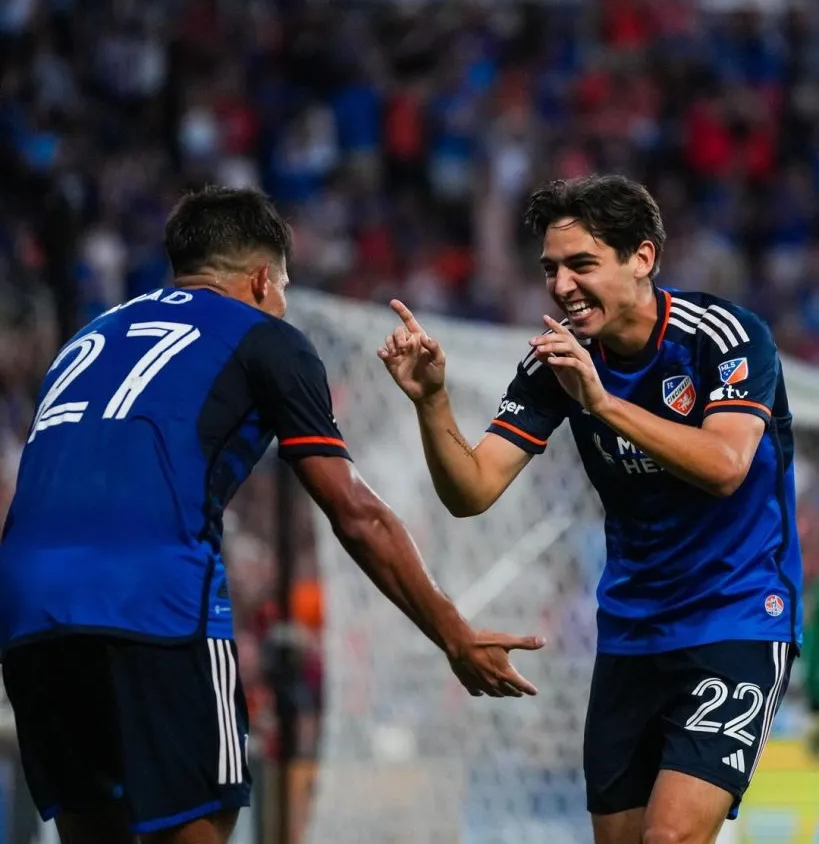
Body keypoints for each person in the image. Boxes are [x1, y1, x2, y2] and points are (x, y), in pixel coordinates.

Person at [0, 186, 543, 844]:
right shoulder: (265, 337)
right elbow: (354, 513)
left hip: (27, 611)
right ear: (261, 279)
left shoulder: (89, 337)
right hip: (152, 601)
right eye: (282, 287)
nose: (282, 302)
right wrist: (453, 634)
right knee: (194, 825)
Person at [378, 174, 802, 844]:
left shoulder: (721, 336)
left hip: (736, 618)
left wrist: (601, 403)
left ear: (641, 258)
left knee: (669, 838)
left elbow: (725, 466)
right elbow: (473, 491)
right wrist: (431, 402)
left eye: (581, 265)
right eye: (550, 269)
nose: (561, 286)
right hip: (630, 633)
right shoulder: (555, 364)